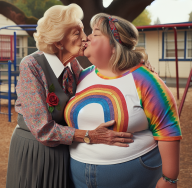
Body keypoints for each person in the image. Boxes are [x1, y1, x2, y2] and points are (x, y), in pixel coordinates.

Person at [6, 5, 134, 188]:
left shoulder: (72, 65)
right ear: (58, 42)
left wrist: (135, 64)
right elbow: (43, 130)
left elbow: (96, 76)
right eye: (77, 33)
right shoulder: (31, 65)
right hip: (35, 149)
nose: (85, 37)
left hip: (63, 150)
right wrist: (91, 136)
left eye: (83, 30)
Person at [64, 13, 182, 188]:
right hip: (78, 177)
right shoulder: (81, 75)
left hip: (135, 178)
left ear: (114, 46)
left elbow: (167, 128)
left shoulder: (144, 79)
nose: (87, 37)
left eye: (95, 33)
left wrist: (169, 179)